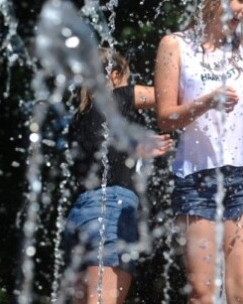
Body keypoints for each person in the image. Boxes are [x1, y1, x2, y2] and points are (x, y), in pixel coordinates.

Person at [153, 0, 243, 304]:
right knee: (203, 292)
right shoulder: (175, 45)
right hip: (195, 178)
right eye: (241, 0)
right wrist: (206, 102)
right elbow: (166, 117)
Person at [63, 47, 173, 304]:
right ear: (113, 75)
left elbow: (102, 156)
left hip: (80, 215)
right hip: (111, 209)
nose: (127, 84)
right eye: (126, 78)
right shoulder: (119, 95)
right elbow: (167, 96)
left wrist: (136, 148)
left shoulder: (77, 119)